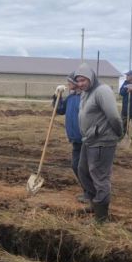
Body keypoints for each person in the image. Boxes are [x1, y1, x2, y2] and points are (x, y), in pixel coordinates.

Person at [74, 62, 123, 223]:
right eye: (78, 81)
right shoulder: (85, 93)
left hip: (102, 141)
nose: (80, 84)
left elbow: (114, 116)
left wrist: (119, 133)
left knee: (100, 177)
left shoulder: (102, 91)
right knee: (83, 170)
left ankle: (101, 218)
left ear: (91, 77)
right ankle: (95, 204)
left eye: (83, 80)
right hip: (89, 140)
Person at [53, 72, 84, 200]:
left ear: (76, 83)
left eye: (69, 82)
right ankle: (87, 189)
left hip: (84, 138)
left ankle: (91, 191)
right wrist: (57, 96)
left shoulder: (84, 98)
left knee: (83, 167)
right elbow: (59, 110)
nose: (67, 84)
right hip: (75, 138)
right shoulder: (71, 98)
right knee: (75, 166)